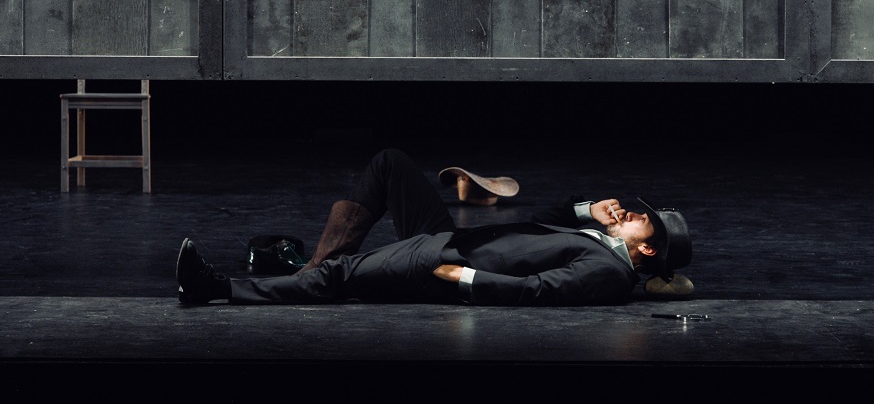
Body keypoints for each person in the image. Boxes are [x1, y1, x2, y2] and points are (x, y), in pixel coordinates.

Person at [176, 148, 692, 306]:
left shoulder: (609, 272)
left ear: (647, 252)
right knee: (390, 165)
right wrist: (587, 211)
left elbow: (538, 290)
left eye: (641, 222)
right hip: (455, 239)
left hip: (446, 260)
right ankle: (309, 271)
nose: (631, 215)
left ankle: (214, 288)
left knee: (340, 277)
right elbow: (541, 226)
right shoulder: (600, 243)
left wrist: (464, 279)